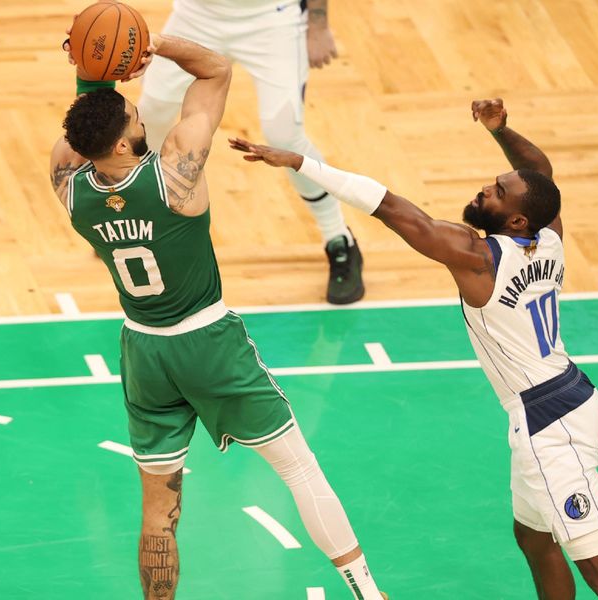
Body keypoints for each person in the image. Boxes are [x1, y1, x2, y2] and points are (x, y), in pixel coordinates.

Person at [230, 98, 598, 600]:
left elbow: (391, 208)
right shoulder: (549, 237)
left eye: (498, 192)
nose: (485, 188)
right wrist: (502, 129)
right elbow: (539, 172)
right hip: (571, 397)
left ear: (517, 222)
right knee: (534, 538)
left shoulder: (479, 258)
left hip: (548, 424)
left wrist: (303, 163)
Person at [51, 31, 386, 600]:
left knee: (159, 510)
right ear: (129, 145)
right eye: (136, 118)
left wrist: (95, 66)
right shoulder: (173, 173)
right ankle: (369, 594)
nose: (142, 120)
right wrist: (153, 44)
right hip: (207, 341)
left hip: (143, 351)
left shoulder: (69, 187)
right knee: (299, 469)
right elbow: (216, 73)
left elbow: (84, 128)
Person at [138, 0, 365, 305]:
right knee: (150, 115)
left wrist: (318, 24)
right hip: (197, 15)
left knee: (284, 136)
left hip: (273, 18)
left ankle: (338, 238)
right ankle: (133, 221)